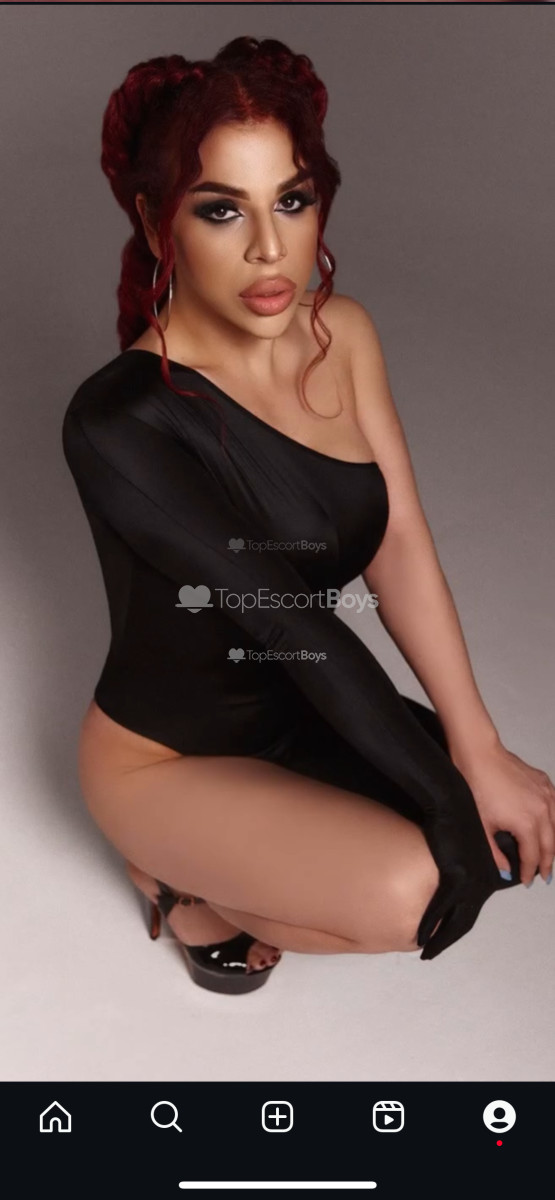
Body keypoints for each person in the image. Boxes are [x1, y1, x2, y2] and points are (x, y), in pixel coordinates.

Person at [62, 36, 554, 996]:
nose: (268, 248)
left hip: (303, 708)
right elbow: (289, 622)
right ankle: (171, 873)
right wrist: (445, 799)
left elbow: (399, 545)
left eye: (290, 201)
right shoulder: (117, 419)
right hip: (165, 760)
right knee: (420, 887)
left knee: (503, 843)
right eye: (220, 210)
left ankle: (237, 860)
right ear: (155, 222)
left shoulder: (345, 333)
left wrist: (477, 746)